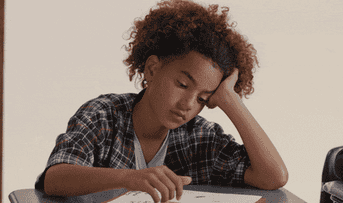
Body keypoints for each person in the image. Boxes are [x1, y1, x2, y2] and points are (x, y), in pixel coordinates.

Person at [35, 0, 288, 202]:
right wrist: (130, 178)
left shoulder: (200, 137)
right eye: (182, 85)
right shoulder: (103, 114)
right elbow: (55, 178)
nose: (188, 104)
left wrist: (230, 100)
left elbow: (274, 176)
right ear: (152, 69)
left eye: (203, 98)